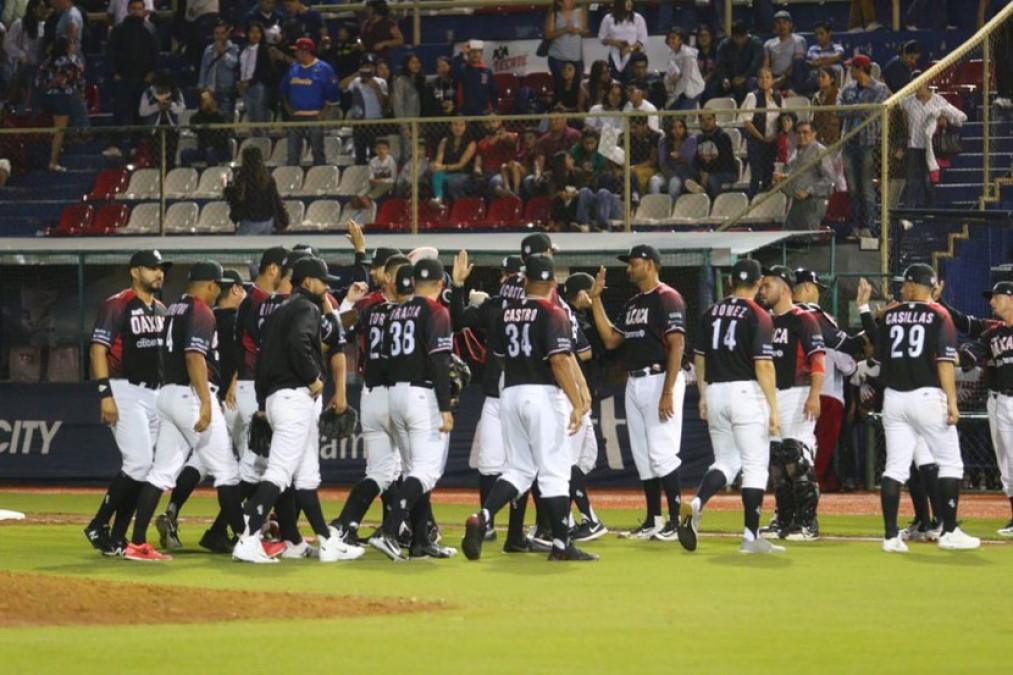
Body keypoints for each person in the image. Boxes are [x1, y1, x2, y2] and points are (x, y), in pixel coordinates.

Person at [461, 254, 596, 562]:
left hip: (510, 393)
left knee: (519, 469)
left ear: (524, 280)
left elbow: (499, 357)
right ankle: (561, 545)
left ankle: (482, 516)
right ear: (552, 281)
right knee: (554, 471)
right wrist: (577, 403)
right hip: (543, 393)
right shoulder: (553, 311)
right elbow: (559, 360)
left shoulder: (505, 313)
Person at [233, 257, 365, 563]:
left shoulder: (280, 310)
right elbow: (298, 342)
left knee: (306, 476)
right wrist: (312, 378)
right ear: (307, 281)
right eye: (323, 281)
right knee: (278, 473)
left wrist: (263, 402)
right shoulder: (306, 307)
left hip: (278, 397)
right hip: (295, 398)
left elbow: (263, 359)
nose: (327, 286)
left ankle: (326, 542)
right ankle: (248, 539)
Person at [125, 261, 247, 562]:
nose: (218, 291)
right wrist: (205, 401)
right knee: (227, 471)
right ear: (209, 284)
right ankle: (248, 542)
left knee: (162, 472)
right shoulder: (200, 310)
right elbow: (194, 356)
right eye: (217, 285)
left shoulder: (174, 308)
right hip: (190, 395)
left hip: (168, 394)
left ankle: (137, 543)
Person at [874, 263, 980, 552]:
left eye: (905, 283)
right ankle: (949, 530)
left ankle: (890, 536)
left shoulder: (890, 316)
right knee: (951, 463)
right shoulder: (939, 314)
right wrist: (952, 402)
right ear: (931, 287)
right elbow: (944, 362)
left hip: (893, 398)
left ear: (912, 286)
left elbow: (879, 355)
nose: (902, 287)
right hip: (926, 396)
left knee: (895, 468)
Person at [680, 258, 782, 554]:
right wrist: (774, 408)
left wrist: (703, 395)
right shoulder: (759, 314)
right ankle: (750, 537)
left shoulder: (711, 312)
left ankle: (697, 503)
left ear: (730, 281)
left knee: (726, 462)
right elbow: (764, 365)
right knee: (755, 465)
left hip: (715, 391)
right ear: (759, 283)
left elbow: (699, 357)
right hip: (746, 392)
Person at [587, 245, 687, 541]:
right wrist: (596, 300)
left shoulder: (667, 297)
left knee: (662, 452)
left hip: (660, 378)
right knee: (643, 455)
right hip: (635, 381)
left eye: (634, 263)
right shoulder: (633, 303)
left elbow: (678, 345)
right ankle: (653, 520)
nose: (629, 268)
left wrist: (668, 391)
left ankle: (676, 521)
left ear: (651, 264)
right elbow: (610, 340)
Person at [83, 250, 170, 557]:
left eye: (161, 268)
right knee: (139, 463)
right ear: (135, 272)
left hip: (155, 394)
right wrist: (105, 393)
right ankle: (98, 525)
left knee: (145, 470)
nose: (159, 273)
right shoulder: (117, 303)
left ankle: (118, 536)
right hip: (125, 389)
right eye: (152, 268)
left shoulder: (161, 309)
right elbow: (97, 349)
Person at [369, 258, 457, 562]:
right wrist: (445, 407)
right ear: (440, 283)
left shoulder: (396, 311)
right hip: (422, 395)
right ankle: (389, 531)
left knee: (412, 471)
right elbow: (439, 361)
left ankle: (421, 541)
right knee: (425, 472)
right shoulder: (437, 311)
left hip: (395, 393)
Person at [328, 251, 413, 548]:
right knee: (414, 470)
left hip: (373, 394)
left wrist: (348, 303)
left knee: (383, 471)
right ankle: (409, 530)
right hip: (399, 394)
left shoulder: (369, 307)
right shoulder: (411, 308)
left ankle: (348, 524)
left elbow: (335, 328)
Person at [757, 266, 825, 540]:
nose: (763, 290)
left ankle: (807, 523)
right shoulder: (765, 321)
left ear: (784, 287)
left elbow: (818, 358)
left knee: (797, 456)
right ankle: (784, 519)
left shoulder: (803, 318)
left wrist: (814, 394)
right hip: (773, 395)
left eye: (768, 285)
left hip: (798, 391)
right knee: (777, 459)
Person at [962, 281, 1013, 537]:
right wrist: (959, 356)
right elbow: (972, 352)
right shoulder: (993, 334)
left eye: (996, 297)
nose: (992, 302)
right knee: (1006, 462)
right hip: (999, 401)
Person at [837, 54, 888, 238]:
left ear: (860, 69)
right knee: (853, 189)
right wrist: (860, 107)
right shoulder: (848, 88)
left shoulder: (879, 89)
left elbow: (872, 112)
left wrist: (852, 109)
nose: (850, 71)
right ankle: (856, 227)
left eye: (852, 68)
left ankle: (867, 227)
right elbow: (839, 110)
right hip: (849, 142)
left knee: (866, 188)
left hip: (868, 143)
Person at [103, 0, 159, 160]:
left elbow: (156, 52)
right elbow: (111, 52)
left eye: (139, 9)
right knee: (119, 112)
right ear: (128, 10)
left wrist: (152, 73)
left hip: (143, 79)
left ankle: (136, 145)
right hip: (123, 78)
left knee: (139, 113)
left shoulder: (150, 29)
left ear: (144, 11)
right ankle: (115, 145)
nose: (136, 12)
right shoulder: (119, 29)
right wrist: (114, 73)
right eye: (133, 9)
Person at [899, 80, 967, 208]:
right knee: (912, 182)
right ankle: (909, 211)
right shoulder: (907, 102)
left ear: (926, 84)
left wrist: (943, 120)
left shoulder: (938, 100)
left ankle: (929, 211)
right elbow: (904, 124)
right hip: (913, 145)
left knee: (929, 182)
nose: (917, 88)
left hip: (931, 147)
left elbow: (954, 116)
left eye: (919, 84)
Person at [282, 37, 339, 166]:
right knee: (292, 151)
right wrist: (289, 109)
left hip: (315, 115)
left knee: (317, 149)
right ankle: (292, 174)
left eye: (297, 50)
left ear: (305, 51)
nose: (295, 53)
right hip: (296, 115)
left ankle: (319, 172)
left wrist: (323, 113)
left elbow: (332, 93)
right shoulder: (293, 68)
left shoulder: (324, 68)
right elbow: (284, 90)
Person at [774, 120, 835, 230]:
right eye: (799, 132)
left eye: (805, 132)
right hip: (796, 199)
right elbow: (796, 175)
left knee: (808, 234)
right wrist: (783, 179)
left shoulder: (820, 151)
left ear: (814, 134)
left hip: (814, 200)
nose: (801, 135)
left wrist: (808, 191)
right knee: (788, 232)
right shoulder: (796, 152)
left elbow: (829, 179)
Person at [37, 36, 85, 173]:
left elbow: (39, 79)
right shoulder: (73, 60)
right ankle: (53, 162)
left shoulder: (48, 60)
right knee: (59, 131)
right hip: (62, 98)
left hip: (47, 98)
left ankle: (56, 151)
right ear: (67, 47)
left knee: (54, 129)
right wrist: (79, 91)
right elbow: (79, 79)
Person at [225, 146, 288, 234]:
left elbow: (236, 197)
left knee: (241, 241)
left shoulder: (244, 177)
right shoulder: (268, 178)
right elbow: (275, 198)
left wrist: (226, 187)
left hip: (251, 220)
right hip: (267, 219)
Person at [340, 51, 387, 165]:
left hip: (375, 121)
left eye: (371, 66)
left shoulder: (380, 82)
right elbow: (341, 86)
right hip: (359, 122)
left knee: (375, 153)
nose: (368, 69)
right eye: (365, 66)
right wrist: (356, 75)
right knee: (360, 154)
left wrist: (376, 88)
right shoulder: (356, 81)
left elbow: (384, 103)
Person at [740, 67, 781, 197]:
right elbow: (747, 121)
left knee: (769, 171)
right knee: (756, 174)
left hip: (773, 141)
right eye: (761, 77)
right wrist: (761, 137)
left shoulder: (777, 97)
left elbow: (784, 116)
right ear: (757, 81)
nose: (765, 80)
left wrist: (775, 136)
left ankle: (766, 199)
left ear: (772, 80)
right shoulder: (752, 96)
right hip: (756, 141)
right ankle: (752, 199)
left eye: (768, 77)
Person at [3, 0, 47, 112]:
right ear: (34, 8)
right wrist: (21, 54)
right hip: (23, 67)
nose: (44, 10)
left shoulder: (44, 25)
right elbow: (8, 44)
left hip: (38, 66)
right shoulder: (19, 24)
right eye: (41, 7)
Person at [139, 69, 186, 170]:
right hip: (154, 130)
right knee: (156, 158)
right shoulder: (148, 93)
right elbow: (142, 111)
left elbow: (181, 109)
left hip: (172, 129)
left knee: (170, 158)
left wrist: (171, 106)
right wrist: (157, 107)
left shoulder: (176, 93)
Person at [238, 21, 276, 138]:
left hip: (259, 86)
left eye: (258, 32)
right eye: (252, 32)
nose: (255, 35)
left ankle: (264, 142)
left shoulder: (265, 49)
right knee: (251, 119)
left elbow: (265, 71)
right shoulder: (243, 49)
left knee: (260, 117)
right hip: (245, 88)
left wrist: (250, 82)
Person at [686, 111, 737, 197]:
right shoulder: (699, 139)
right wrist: (701, 172)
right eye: (703, 120)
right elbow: (696, 159)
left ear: (714, 120)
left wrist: (707, 173)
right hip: (705, 172)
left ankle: (714, 201)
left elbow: (724, 161)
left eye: (709, 119)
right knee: (688, 175)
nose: (706, 123)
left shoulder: (723, 137)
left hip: (726, 172)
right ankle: (701, 195)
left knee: (712, 179)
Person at [198, 20, 239, 123]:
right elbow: (204, 69)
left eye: (222, 33)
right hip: (211, 91)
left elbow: (233, 64)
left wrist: (223, 53)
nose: (219, 36)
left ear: (227, 34)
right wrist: (202, 88)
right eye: (217, 34)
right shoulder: (209, 50)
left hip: (227, 91)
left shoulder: (234, 48)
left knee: (226, 119)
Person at [597, 0, 647, 82]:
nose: (629, 3)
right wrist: (614, 42)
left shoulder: (638, 18)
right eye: (627, 1)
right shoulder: (608, 18)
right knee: (615, 80)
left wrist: (630, 49)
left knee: (631, 81)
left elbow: (642, 38)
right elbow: (601, 38)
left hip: (632, 56)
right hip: (614, 55)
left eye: (631, 1)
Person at [714, 21, 763, 103]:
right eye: (737, 37)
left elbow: (756, 64)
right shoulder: (724, 45)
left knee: (751, 83)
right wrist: (724, 78)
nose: (740, 40)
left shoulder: (755, 43)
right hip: (730, 77)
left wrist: (744, 77)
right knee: (714, 86)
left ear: (747, 34)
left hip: (749, 76)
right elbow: (719, 64)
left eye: (742, 36)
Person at [430, 117, 476, 205]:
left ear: (466, 127)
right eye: (455, 124)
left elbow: (461, 165)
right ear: (451, 126)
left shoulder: (471, 143)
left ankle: (459, 206)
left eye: (461, 125)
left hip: (464, 173)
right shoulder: (444, 141)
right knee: (437, 173)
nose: (458, 128)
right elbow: (439, 160)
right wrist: (435, 166)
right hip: (447, 172)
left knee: (452, 182)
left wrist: (444, 167)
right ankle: (438, 199)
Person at [181, 90, 231, 167]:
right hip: (203, 150)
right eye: (203, 100)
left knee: (210, 152)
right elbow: (193, 125)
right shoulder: (199, 117)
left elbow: (226, 132)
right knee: (185, 153)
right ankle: (191, 173)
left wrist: (215, 113)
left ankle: (212, 173)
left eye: (207, 100)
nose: (205, 102)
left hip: (220, 151)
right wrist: (202, 110)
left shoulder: (222, 115)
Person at [392, 52, 427, 163]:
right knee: (407, 154)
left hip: (419, 123)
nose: (416, 65)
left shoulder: (421, 80)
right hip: (407, 124)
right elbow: (398, 104)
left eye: (418, 62)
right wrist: (404, 126)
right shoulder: (400, 81)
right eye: (413, 62)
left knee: (420, 153)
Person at [651, 116, 696, 200]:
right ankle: (656, 204)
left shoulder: (691, 140)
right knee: (654, 181)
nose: (677, 131)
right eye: (674, 128)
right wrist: (667, 174)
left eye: (680, 127)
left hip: (684, 173)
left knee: (674, 183)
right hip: (667, 172)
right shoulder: (663, 141)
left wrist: (680, 157)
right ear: (670, 130)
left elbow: (690, 161)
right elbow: (662, 162)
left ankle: (672, 205)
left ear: (685, 128)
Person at [544, 0, 587, 87]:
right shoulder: (554, 15)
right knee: (560, 86)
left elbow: (586, 31)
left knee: (577, 86)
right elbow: (548, 35)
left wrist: (578, 30)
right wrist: (565, 30)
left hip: (576, 57)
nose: (572, 1)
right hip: (558, 57)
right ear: (560, 2)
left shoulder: (579, 13)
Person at [763, 10, 807, 93]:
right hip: (774, 76)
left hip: (791, 77)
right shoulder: (769, 43)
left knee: (798, 61)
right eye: (778, 23)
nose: (782, 26)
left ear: (790, 25)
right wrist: (767, 79)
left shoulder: (798, 40)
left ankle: (797, 92)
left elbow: (797, 64)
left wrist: (782, 78)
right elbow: (766, 65)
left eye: (785, 22)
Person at [453, 39, 497, 116]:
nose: (475, 54)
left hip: (484, 114)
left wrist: (495, 111)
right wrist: (462, 53)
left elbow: (493, 93)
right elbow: (454, 72)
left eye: (478, 51)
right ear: (468, 53)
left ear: (481, 53)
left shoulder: (487, 72)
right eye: (472, 51)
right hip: (466, 113)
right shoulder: (462, 70)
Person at [664, 27, 703, 111]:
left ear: (681, 40)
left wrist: (674, 96)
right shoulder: (671, 55)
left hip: (693, 89)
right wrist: (670, 81)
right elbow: (669, 74)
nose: (670, 40)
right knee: (668, 113)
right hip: (680, 90)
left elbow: (685, 78)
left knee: (678, 115)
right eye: (669, 38)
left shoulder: (687, 54)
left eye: (673, 38)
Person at [804, 21, 844, 94]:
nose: (818, 37)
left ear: (829, 33)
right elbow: (814, 60)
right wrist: (828, 60)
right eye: (816, 34)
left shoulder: (837, 47)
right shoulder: (812, 48)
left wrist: (819, 62)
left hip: (834, 75)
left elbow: (836, 57)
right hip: (816, 75)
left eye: (821, 34)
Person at [812, 66, 841, 146]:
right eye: (818, 76)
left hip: (835, 139)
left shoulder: (839, 95)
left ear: (832, 79)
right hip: (819, 138)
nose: (819, 79)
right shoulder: (816, 96)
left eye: (823, 76)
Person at [695, 23, 721, 103]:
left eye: (706, 35)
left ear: (711, 37)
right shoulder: (693, 52)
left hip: (713, 81)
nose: (703, 38)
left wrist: (705, 79)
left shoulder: (717, 51)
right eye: (701, 36)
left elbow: (717, 68)